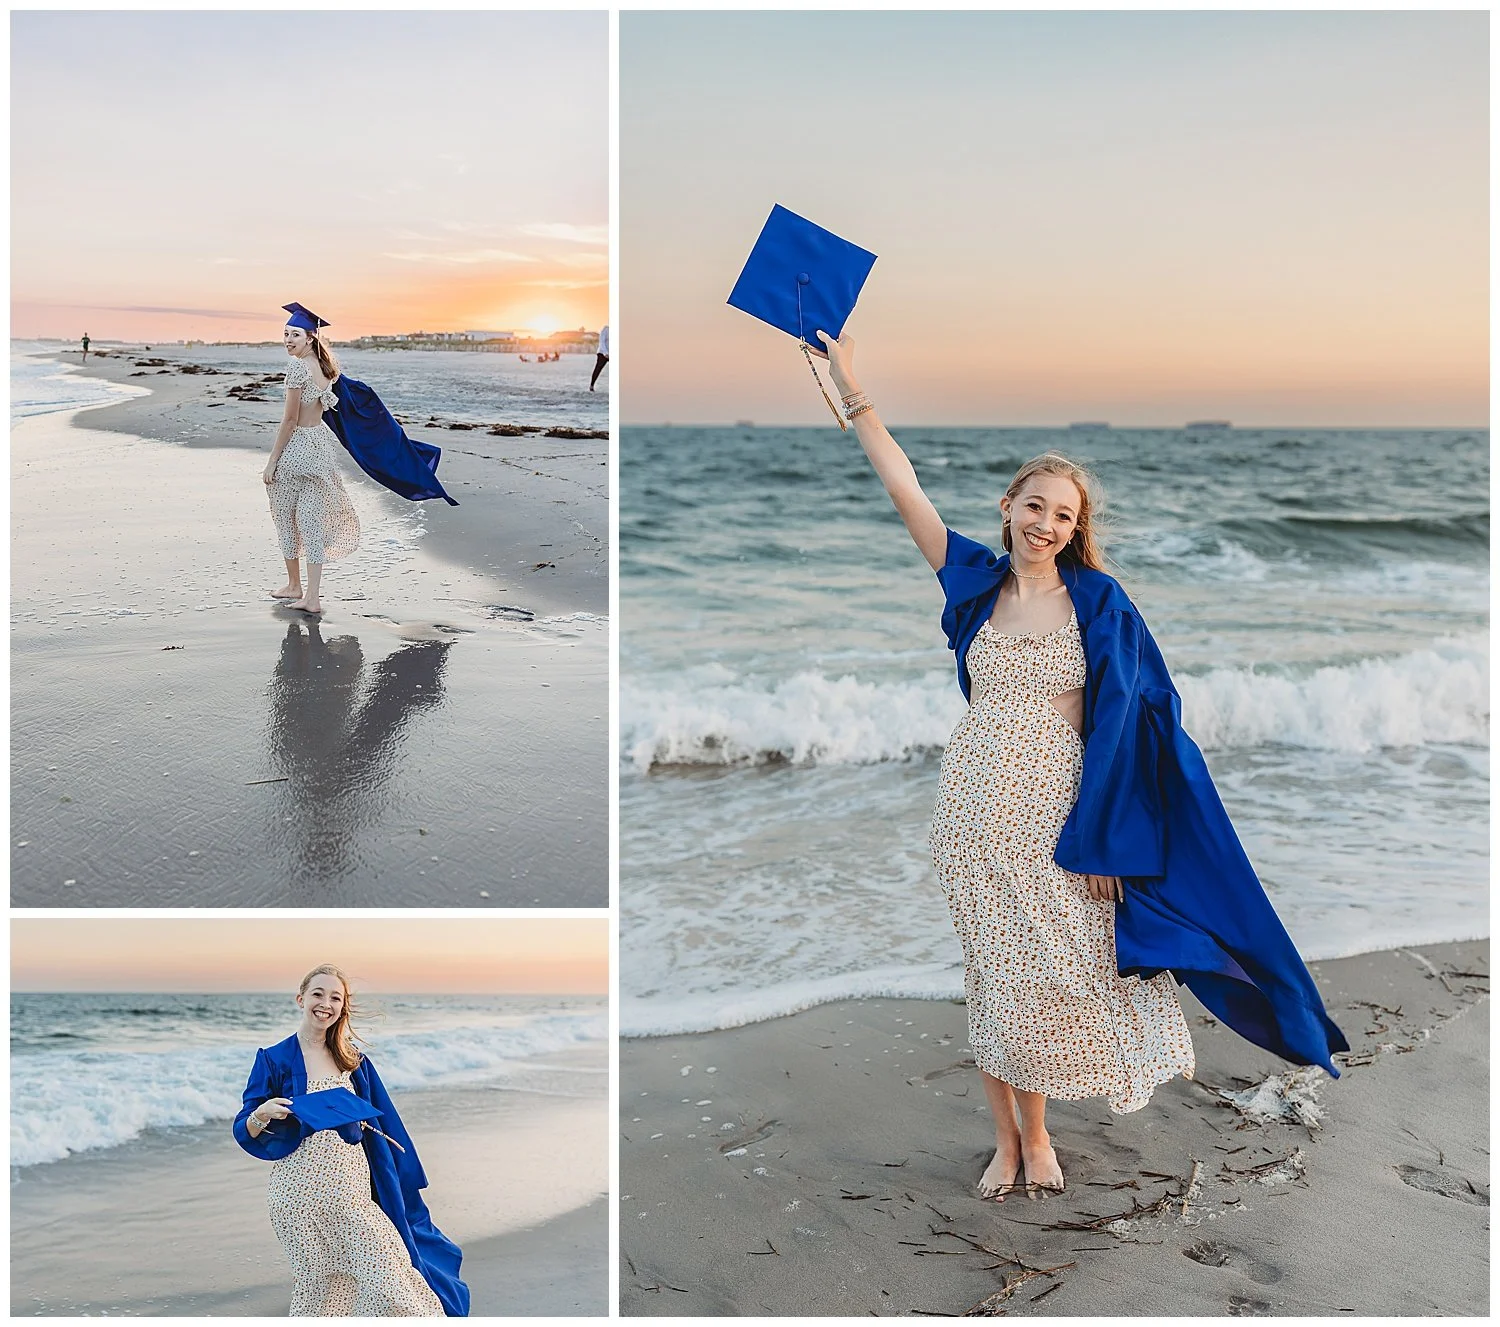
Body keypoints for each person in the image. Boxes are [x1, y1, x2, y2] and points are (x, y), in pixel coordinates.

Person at [816, 328, 1347, 1203]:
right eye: (1035, 506)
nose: (1046, 524)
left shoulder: (1098, 601)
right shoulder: (971, 581)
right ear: (1008, 505)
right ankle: (1012, 1142)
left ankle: (1043, 1130)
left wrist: (1107, 841)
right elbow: (899, 481)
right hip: (972, 814)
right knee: (994, 978)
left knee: (1066, 972)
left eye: (1063, 514)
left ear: (1075, 527)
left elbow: (1136, 726)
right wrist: (850, 383)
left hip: (1061, 818)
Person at [233, 964, 469, 1316]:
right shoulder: (273, 1059)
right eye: (317, 994)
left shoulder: (353, 1062)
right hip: (296, 1196)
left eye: (335, 997)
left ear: (343, 1006)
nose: (325, 1003)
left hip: (350, 1195)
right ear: (301, 999)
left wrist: (401, 1178)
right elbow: (243, 1129)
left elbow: (386, 1125)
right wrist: (262, 1113)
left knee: (393, 1280)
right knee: (322, 1290)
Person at [265, 307, 361, 615]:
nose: (288, 340)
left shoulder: (296, 369)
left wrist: (272, 461)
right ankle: (311, 596)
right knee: (311, 522)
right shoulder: (324, 368)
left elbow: (290, 419)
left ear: (310, 338)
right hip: (319, 448)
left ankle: (296, 586)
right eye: (285, 334)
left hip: (297, 450)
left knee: (286, 518)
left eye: (295, 335)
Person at [589, 324, 609, 391]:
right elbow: (602, 342)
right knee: (598, 369)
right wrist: (605, 353)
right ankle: (592, 385)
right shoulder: (606, 329)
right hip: (602, 352)